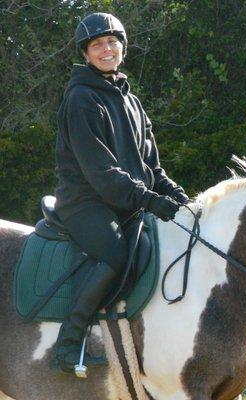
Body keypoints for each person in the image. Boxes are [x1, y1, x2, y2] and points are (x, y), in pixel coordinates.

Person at [52, 12, 188, 373]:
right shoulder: (81, 100)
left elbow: (152, 168)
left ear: (122, 47)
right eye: (97, 44)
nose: (106, 49)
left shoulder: (131, 100)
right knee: (114, 255)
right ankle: (67, 346)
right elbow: (102, 173)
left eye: (112, 41)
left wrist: (180, 199)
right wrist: (150, 201)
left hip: (125, 201)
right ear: (86, 54)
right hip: (86, 203)